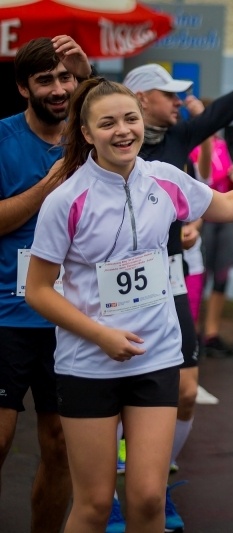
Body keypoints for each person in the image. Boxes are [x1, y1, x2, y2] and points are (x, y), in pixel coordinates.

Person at [23, 77, 233, 533]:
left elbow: (225, 204)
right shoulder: (67, 199)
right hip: (88, 364)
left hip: (156, 358)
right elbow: (39, 290)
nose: (123, 130)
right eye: (107, 123)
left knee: (148, 499)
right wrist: (101, 334)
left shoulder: (163, 178)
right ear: (87, 133)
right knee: (94, 504)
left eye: (129, 119)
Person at [121, 56, 233, 529]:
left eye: (178, 95)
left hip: (170, 273)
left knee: (187, 392)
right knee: (117, 395)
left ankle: (155, 480)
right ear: (140, 99)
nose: (177, 102)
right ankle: (120, 490)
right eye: (168, 95)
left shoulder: (178, 136)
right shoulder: (108, 145)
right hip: (120, 283)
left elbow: (222, 113)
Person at [0, 35, 91, 533]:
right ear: (23, 88)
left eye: (65, 78)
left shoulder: (88, 137)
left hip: (69, 316)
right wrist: (46, 188)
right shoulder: (3, 139)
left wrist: (89, 69)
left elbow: (114, 111)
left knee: (59, 444)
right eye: (45, 80)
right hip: (8, 314)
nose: (58, 89)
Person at [191, 98, 233, 360]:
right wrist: (227, 176)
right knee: (198, 275)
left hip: (224, 216)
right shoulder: (192, 143)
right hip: (202, 216)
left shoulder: (221, 144)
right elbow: (201, 179)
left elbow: (227, 178)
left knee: (222, 275)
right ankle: (192, 331)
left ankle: (212, 333)